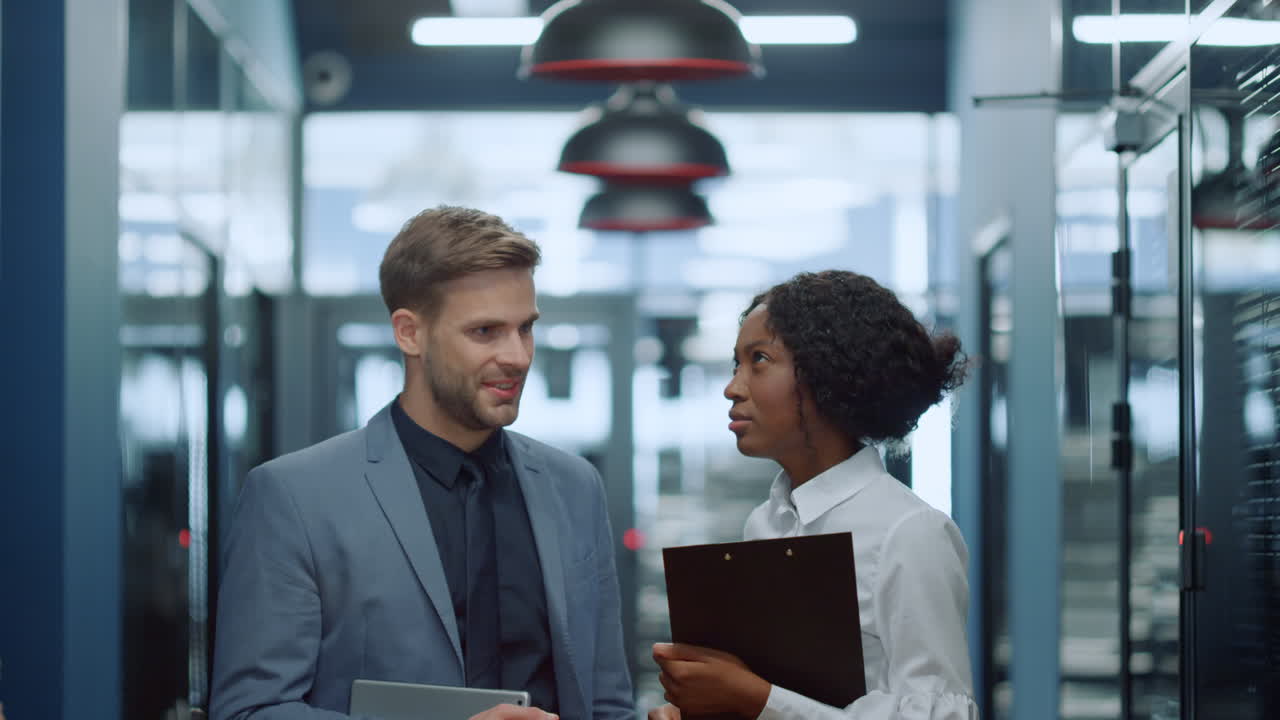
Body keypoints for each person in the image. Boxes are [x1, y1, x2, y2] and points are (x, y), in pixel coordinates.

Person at [211, 206, 634, 720]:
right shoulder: (294, 497)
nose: (518, 356)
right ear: (409, 333)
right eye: (485, 332)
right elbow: (249, 711)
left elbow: (608, 704)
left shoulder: (574, 487)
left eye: (525, 328)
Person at [649, 270, 976, 720]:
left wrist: (758, 701)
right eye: (735, 364)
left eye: (758, 360)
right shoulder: (765, 522)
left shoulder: (912, 533)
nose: (732, 387)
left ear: (829, 374)